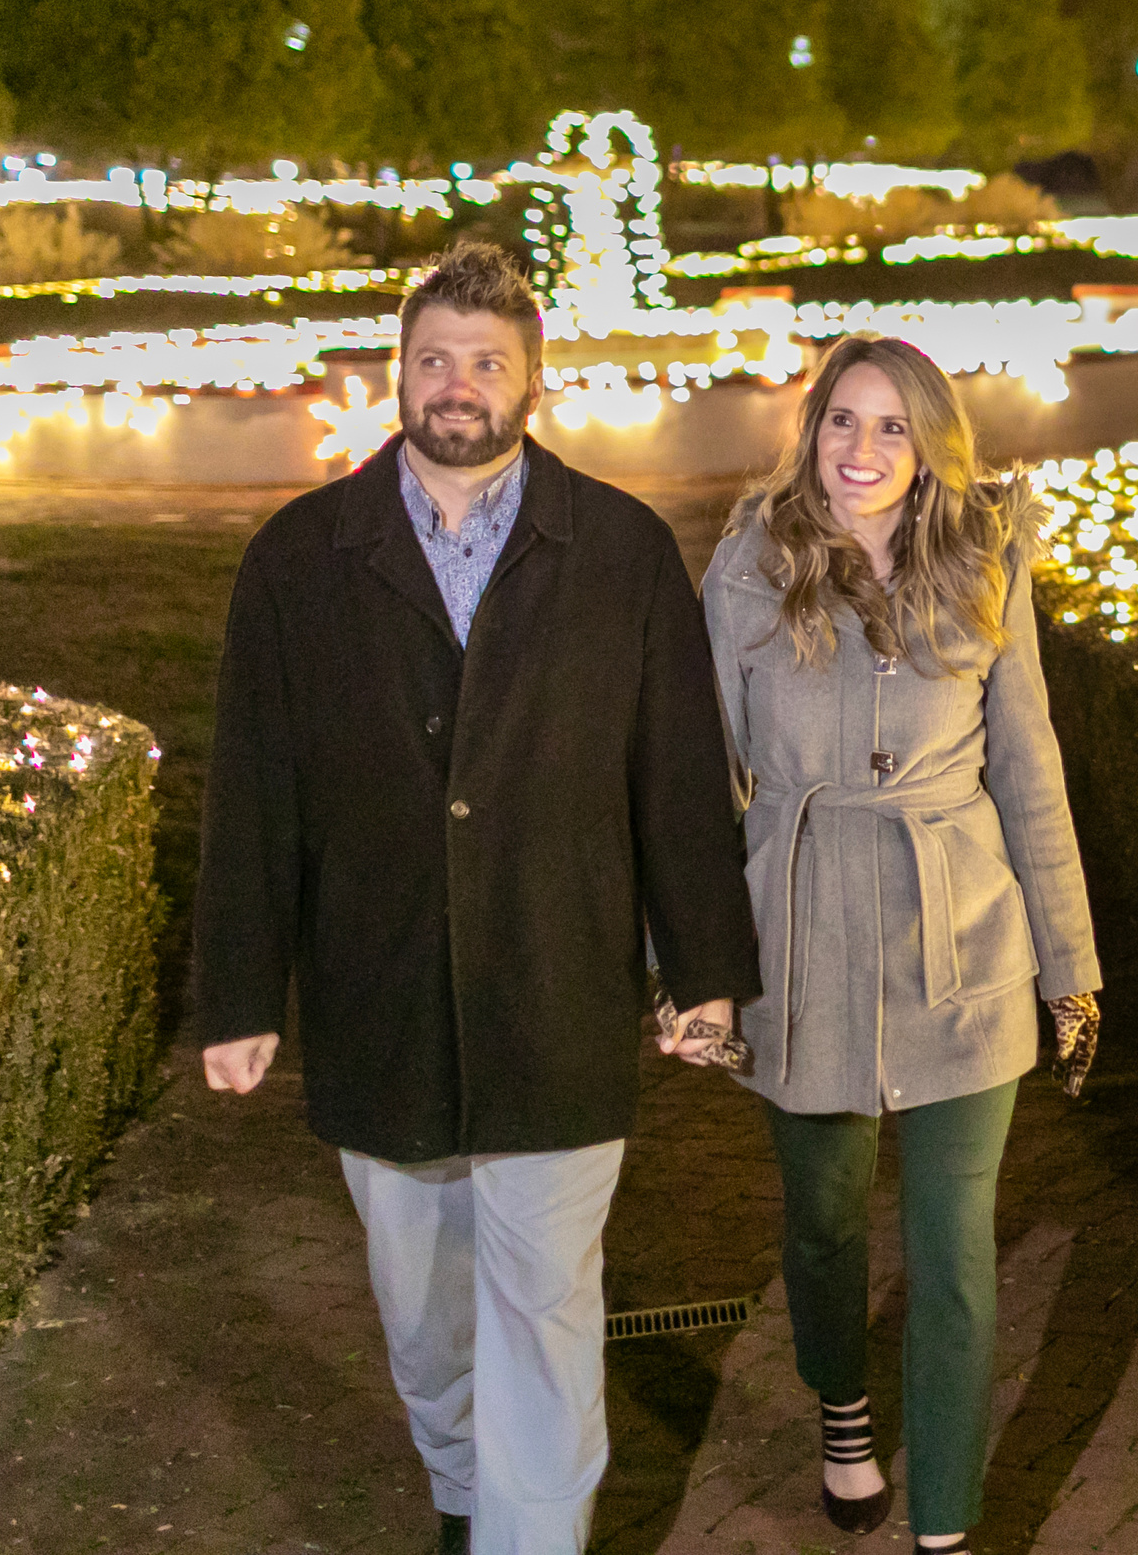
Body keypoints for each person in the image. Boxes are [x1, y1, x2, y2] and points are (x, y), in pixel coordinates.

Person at [193, 240, 757, 1555]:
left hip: (555, 996)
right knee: (427, 1322)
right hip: (375, 1004)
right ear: (399, 371)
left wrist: (704, 969)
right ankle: (464, 1499)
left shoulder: (617, 552)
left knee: (545, 1315)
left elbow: (675, 778)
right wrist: (238, 991)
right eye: (434, 358)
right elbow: (253, 790)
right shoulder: (301, 559)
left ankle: (526, 1537)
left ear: (533, 380)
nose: (457, 385)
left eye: (485, 362)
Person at [694, 333, 1102, 1551]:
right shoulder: (745, 568)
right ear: (810, 428)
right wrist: (696, 969)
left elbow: (1027, 763)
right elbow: (698, 776)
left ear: (928, 448)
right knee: (821, 1219)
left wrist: (1068, 966)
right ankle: (842, 1403)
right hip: (800, 945)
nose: (861, 449)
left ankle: (947, 1531)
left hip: (962, 942)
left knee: (954, 1254)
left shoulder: (985, 558)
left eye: (890, 427)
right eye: (841, 420)